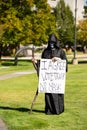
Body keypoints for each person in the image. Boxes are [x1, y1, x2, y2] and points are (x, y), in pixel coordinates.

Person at [32, 33, 68, 115]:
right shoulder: (45, 52)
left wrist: (58, 59)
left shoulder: (61, 51)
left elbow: (65, 64)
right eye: (50, 42)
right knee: (48, 95)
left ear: (56, 43)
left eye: (53, 43)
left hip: (57, 80)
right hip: (48, 80)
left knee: (57, 95)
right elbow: (43, 64)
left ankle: (58, 110)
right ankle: (49, 110)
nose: (51, 44)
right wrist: (36, 62)